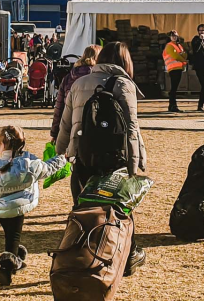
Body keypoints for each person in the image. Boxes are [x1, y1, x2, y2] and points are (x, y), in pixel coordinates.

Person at [56, 41, 147, 275]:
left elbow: (66, 122)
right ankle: (128, 255)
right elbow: (131, 127)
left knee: (83, 207)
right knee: (119, 207)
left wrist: (60, 151)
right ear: (125, 61)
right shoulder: (124, 84)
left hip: (82, 155)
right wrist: (135, 163)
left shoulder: (79, 82)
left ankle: (79, 256)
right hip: (114, 155)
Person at [0, 125, 68, 286]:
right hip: (19, 207)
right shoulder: (31, 165)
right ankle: (6, 266)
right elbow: (49, 168)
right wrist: (63, 157)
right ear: (23, 142)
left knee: (11, 234)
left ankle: (16, 255)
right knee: (13, 235)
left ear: (1, 145)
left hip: (1, 210)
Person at [50, 44, 99, 142]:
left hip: (71, 126)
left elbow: (59, 107)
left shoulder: (68, 78)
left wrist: (55, 132)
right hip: (95, 127)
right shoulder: (100, 78)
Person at [162, 30, 187, 113]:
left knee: (174, 88)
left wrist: (182, 56)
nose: (174, 37)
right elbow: (175, 56)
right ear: (169, 37)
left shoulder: (179, 45)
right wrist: (183, 59)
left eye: (175, 35)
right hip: (173, 69)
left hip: (178, 68)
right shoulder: (169, 46)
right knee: (174, 88)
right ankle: (173, 105)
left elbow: (185, 54)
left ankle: (171, 105)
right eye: (172, 35)